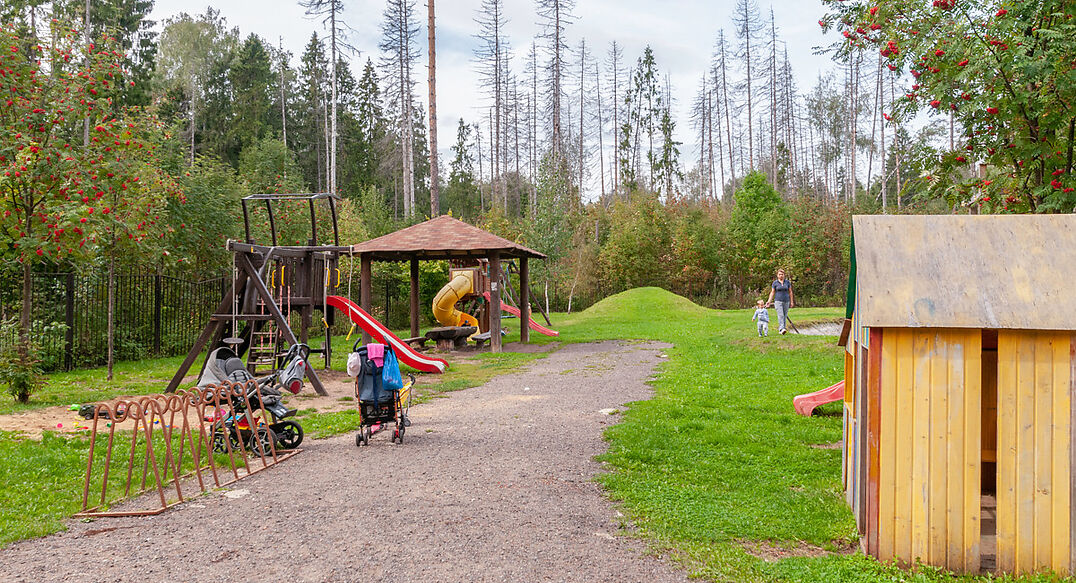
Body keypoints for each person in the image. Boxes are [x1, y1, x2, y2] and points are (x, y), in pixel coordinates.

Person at [765, 268, 794, 335]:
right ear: (777, 275)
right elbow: (772, 292)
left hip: (786, 301)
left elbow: (790, 292)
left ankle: (783, 329)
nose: (781, 276)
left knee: (784, 315)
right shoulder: (775, 283)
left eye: (782, 274)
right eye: (779, 274)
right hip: (778, 301)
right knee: (780, 315)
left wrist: (791, 301)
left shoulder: (787, 282)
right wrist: (769, 301)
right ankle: (781, 329)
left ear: (784, 275)